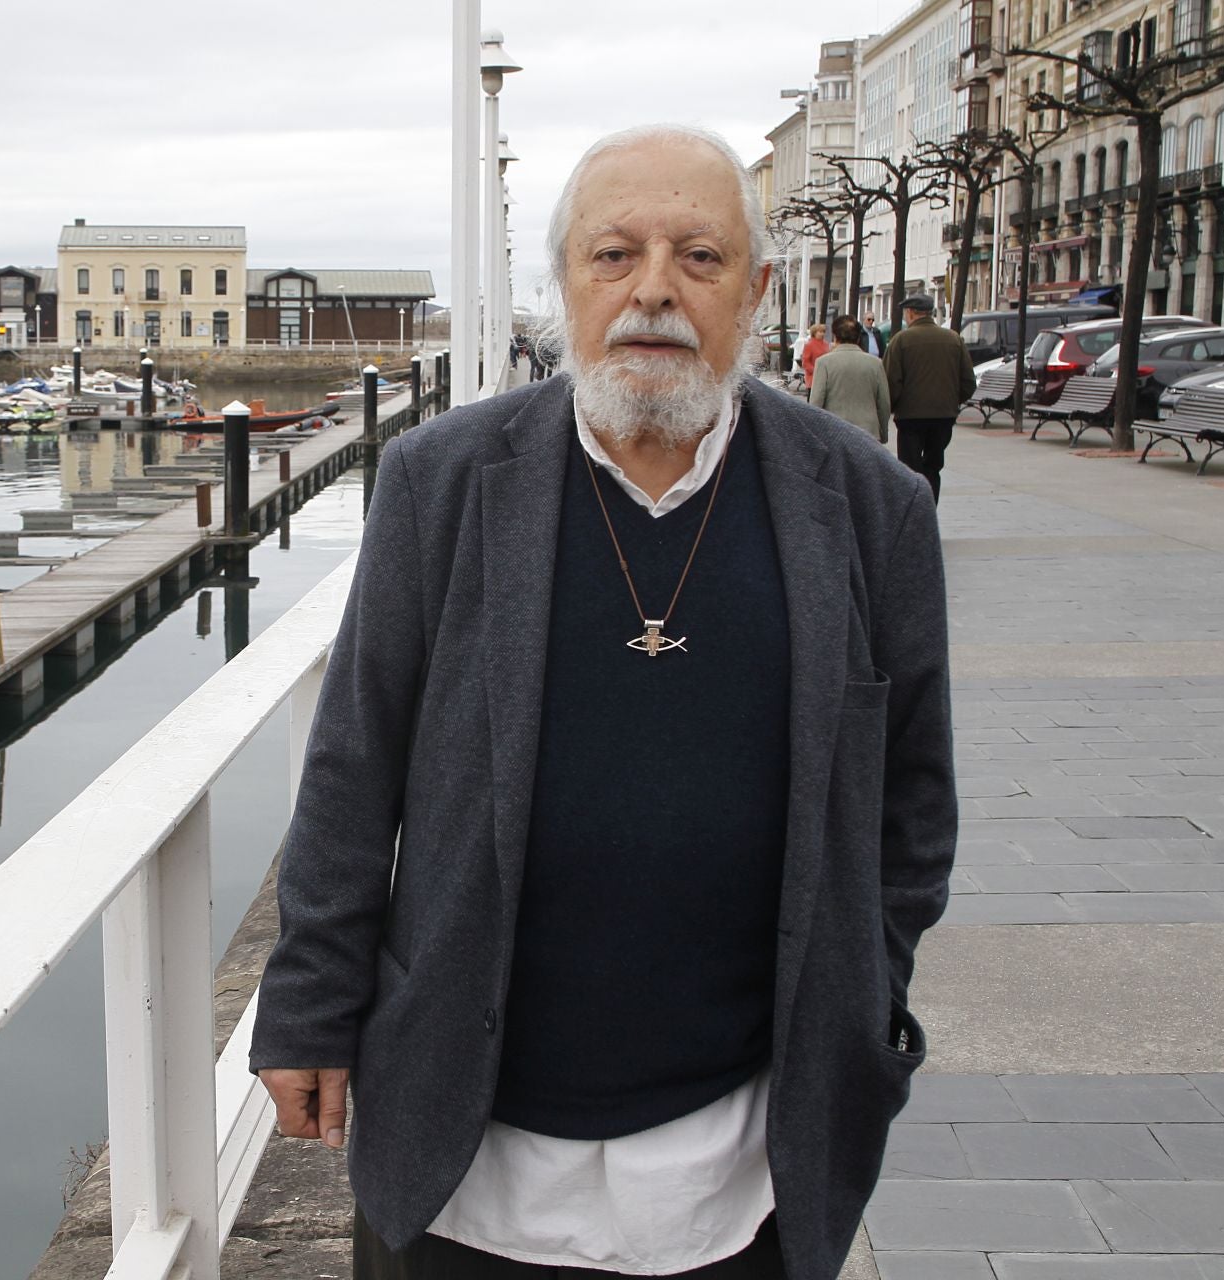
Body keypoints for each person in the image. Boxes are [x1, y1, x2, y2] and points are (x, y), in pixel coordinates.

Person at [252, 123, 956, 1280]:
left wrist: (866, 991)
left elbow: (914, 806)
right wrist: (306, 1007)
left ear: (757, 292)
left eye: (700, 256)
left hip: (742, 1160)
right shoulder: (441, 481)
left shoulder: (870, 507)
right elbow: (352, 765)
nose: (654, 290)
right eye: (614, 254)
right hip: (466, 1149)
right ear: (565, 284)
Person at [883, 294, 976, 503]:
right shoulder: (954, 339)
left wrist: (893, 407)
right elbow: (968, 382)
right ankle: (930, 509)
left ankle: (914, 512)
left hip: (910, 417)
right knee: (933, 466)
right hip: (943, 416)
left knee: (910, 469)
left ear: (911, 313)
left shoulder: (901, 340)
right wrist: (952, 402)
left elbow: (891, 381)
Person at [809, 315, 891, 442]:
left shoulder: (824, 363)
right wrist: (883, 433)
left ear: (835, 336)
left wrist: (814, 437)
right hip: (868, 432)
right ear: (858, 337)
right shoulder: (876, 364)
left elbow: (816, 402)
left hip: (834, 432)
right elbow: (884, 403)